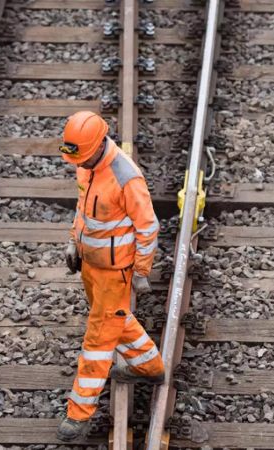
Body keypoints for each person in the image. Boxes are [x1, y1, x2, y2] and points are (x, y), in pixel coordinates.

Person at [55, 111, 166, 442]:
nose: (80, 163)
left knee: (98, 340)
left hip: (116, 271)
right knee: (115, 318)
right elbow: (83, 210)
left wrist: (142, 271)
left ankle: (79, 414)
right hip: (92, 265)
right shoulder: (85, 165)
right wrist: (75, 245)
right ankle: (149, 367)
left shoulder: (125, 177)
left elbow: (148, 227)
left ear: (99, 144)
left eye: (84, 158)